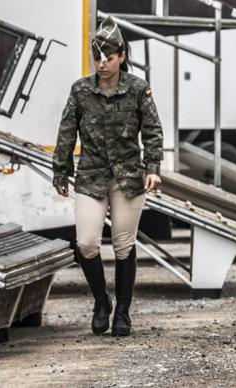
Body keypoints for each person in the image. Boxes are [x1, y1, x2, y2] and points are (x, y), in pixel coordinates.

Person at [52, 17, 163, 337]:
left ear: (121, 56)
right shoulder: (81, 90)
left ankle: (123, 313)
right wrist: (60, 170)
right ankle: (102, 302)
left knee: (123, 245)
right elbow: (66, 131)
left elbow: (153, 131)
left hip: (128, 178)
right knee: (86, 243)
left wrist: (153, 167)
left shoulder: (138, 89)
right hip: (91, 175)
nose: (101, 63)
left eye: (108, 57)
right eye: (96, 57)